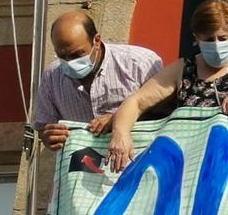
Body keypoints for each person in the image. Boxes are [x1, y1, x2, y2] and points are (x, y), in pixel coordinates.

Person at [106, 0, 228, 171]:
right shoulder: (184, 68)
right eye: (208, 39)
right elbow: (136, 102)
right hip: (191, 167)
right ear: (197, 38)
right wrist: (121, 133)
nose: (216, 45)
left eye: (222, 39)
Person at [31, 10, 162, 149]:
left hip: (139, 158)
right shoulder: (52, 76)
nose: (70, 62)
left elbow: (165, 112)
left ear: (97, 41)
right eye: (62, 56)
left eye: (77, 54)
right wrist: (48, 136)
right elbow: (43, 126)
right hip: (83, 166)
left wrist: (121, 118)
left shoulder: (138, 64)